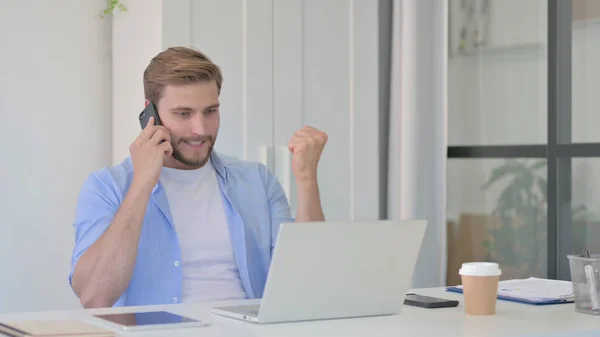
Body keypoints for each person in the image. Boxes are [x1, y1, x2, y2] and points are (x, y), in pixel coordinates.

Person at [69, 46, 327, 308]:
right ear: (151, 113)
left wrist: (306, 179)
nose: (200, 130)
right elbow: (94, 296)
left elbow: (308, 282)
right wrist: (142, 183)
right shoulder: (107, 187)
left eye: (210, 111)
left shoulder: (257, 180)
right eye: (183, 114)